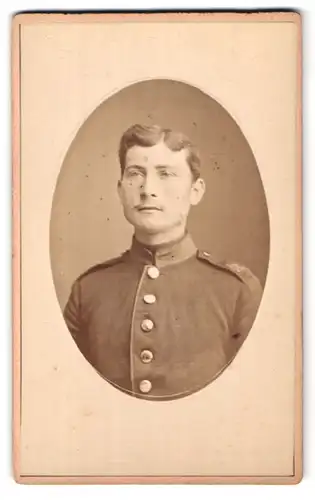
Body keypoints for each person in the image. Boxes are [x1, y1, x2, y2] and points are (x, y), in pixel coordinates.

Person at [64, 123, 263, 401]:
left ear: (196, 191)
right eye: (135, 174)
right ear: (121, 190)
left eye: (166, 174)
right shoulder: (88, 291)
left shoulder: (238, 291)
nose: (148, 189)